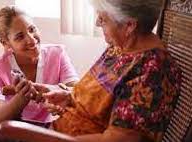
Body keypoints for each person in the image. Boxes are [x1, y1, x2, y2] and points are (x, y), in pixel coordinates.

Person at [33, 0, 181, 141]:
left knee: (10, 129)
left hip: (64, 138)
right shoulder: (120, 48)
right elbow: (100, 101)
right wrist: (68, 98)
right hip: (58, 129)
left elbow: (117, 140)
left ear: (129, 25)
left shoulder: (153, 71)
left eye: (103, 18)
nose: (97, 23)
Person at [0, 5, 79, 130]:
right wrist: (22, 98)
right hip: (11, 132)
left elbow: (78, 92)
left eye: (32, 29)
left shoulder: (57, 53)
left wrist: (51, 91)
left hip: (45, 131)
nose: (32, 40)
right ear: (6, 43)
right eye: (20, 36)